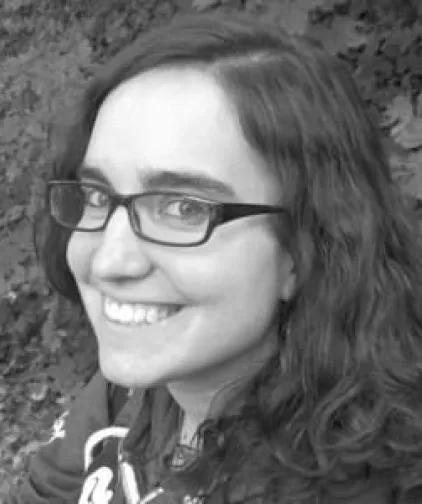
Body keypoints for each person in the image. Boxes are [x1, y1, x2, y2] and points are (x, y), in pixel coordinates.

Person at [7, 10, 422, 504]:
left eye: (183, 208)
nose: (108, 263)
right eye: (97, 196)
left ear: (306, 245)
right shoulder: (134, 395)